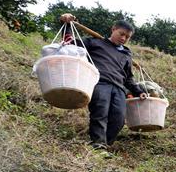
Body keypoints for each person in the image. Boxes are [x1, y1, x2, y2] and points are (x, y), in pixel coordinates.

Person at [59, 13, 147, 152]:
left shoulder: (126, 54)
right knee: (100, 113)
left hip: (119, 88)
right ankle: (98, 145)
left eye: (127, 37)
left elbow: (128, 78)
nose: (123, 38)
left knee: (118, 120)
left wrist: (139, 91)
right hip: (100, 83)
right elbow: (70, 43)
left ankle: (104, 144)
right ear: (113, 29)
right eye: (121, 34)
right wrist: (67, 23)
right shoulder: (95, 42)